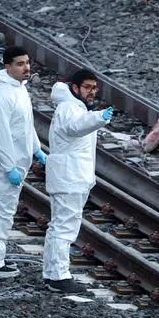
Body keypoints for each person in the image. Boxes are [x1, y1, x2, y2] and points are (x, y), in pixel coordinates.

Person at [42, 69, 112, 294]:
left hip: (69, 176)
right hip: (69, 177)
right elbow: (76, 128)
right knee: (65, 227)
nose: (92, 92)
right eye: (87, 88)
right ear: (75, 88)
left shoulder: (75, 107)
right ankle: (60, 276)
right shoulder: (70, 108)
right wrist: (100, 117)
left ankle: (52, 273)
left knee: (59, 226)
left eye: (94, 88)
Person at [0, 45, 44, 280]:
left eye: (27, 62)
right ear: (7, 66)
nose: (26, 68)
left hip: (19, 159)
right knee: (2, 211)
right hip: (8, 162)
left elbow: (25, 124)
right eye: (20, 63)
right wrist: (9, 167)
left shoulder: (19, 90)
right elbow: (0, 134)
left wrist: (37, 150)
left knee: (7, 210)